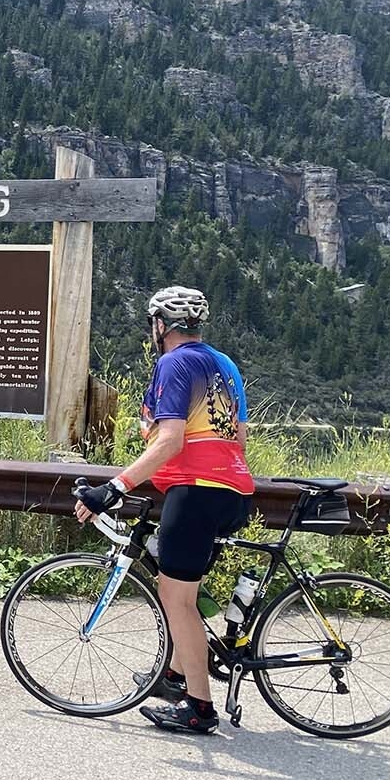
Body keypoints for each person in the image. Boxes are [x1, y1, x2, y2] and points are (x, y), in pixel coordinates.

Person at [74, 285, 254, 735]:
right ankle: (174, 675)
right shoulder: (224, 365)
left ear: (160, 325)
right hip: (231, 491)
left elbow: (171, 440)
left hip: (195, 493)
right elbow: (237, 438)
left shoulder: (173, 363)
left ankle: (199, 709)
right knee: (181, 592)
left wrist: (113, 488)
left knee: (178, 601)